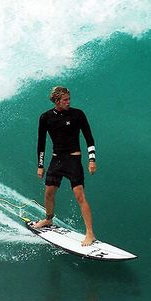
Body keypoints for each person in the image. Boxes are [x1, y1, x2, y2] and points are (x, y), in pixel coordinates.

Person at [33, 86, 97, 246]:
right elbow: (41, 143)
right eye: (65, 100)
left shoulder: (78, 114)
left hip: (73, 160)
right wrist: (40, 165)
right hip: (56, 160)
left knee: (79, 196)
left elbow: (89, 138)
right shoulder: (45, 117)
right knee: (48, 193)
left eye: (69, 99)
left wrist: (91, 160)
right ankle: (48, 219)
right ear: (57, 101)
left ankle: (90, 234)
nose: (68, 102)